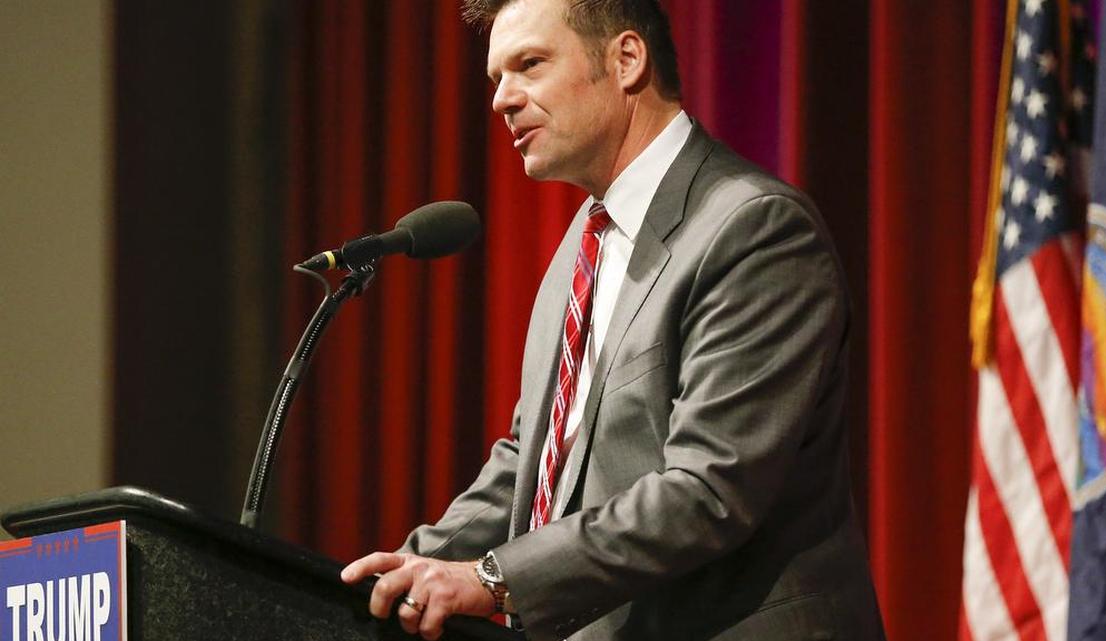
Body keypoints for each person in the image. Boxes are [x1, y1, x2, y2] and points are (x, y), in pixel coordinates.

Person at [340, 1, 885, 639]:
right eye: (496, 78)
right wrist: (418, 564)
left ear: (627, 60)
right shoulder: (583, 243)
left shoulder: (754, 229)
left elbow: (708, 490)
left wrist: (491, 578)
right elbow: (533, 458)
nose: (502, 100)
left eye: (530, 65)